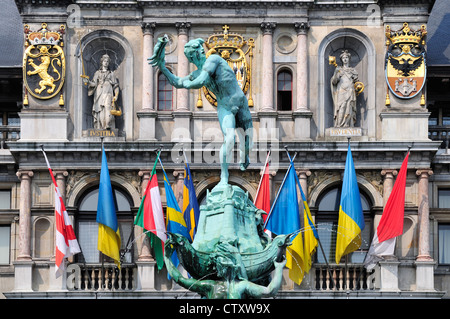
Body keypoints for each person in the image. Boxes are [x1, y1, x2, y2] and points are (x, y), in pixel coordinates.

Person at [150, 37, 253, 185]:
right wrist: (163, 68)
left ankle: (245, 155)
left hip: (240, 102)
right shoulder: (198, 73)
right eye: (194, 55)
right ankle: (224, 176)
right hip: (225, 107)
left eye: (197, 52)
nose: (198, 55)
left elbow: (201, 81)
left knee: (248, 143)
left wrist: (188, 83)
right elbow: (177, 82)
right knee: (230, 138)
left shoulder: (214, 60)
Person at [87, 54, 119, 130]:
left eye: (107, 61)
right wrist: (88, 82)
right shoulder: (97, 73)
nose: (106, 62)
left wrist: (116, 95)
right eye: (105, 61)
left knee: (107, 107)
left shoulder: (111, 74)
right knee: (100, 109)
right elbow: (94, 84)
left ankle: (108, 125)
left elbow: (115, 86)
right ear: (102, 62)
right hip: (99, 92)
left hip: (108, 91)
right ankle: (101, 126)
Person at [330, 50, 359, 128]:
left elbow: (357, 83)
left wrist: (358, 87)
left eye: (346, 57)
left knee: (349, 107)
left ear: (349, 59)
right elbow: (334, 82)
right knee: (341, 107)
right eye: (343, 58)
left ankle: (347, 124)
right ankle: (339, 124)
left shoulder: (352, 71)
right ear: (341, 60)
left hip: (350, 91)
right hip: (341, 92)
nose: (345, 59)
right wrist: (336, 73)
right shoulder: (339, 70)